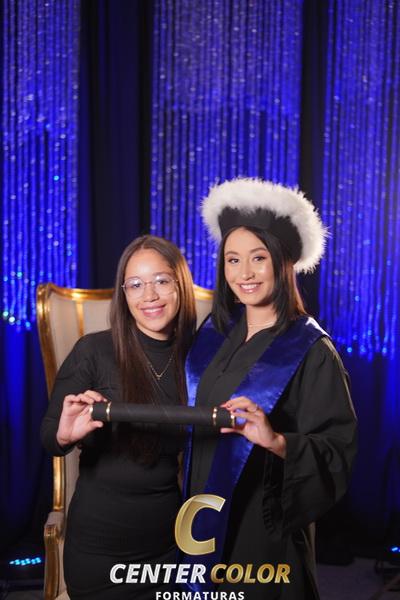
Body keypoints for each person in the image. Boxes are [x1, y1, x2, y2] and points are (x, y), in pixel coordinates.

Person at [182, 178, 357, 599]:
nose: (244, 273)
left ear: (283, 262)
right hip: (199, 519)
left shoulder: (311, 350)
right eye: (233, 260)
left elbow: (337, 452)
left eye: (258, 258)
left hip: (263, 526)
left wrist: (277, 440)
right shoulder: (213, 334)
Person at [41, 235, 196, 599]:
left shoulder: (200, 358)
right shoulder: (93, 350)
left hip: (170, 548)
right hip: (99, 554)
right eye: (136, 285)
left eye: (161, 281)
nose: (149, 295)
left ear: (180, 284)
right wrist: (65, 435)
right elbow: (49, 436)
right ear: (123, 294)